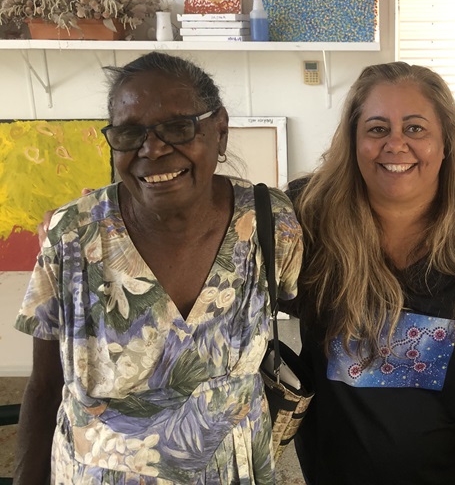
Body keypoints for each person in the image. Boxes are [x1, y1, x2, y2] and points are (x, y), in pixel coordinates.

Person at [13, 52, 303, 484]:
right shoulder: (73, 235)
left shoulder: (266, 221)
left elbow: (316, 306)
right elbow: (42, 385)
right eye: (130, 133)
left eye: (178, 127)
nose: (152, 148)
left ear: (219, 131)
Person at [285, 62, 455, 484]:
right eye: (377, 129)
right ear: (353, 140)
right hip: (333, 467)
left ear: (446, 143)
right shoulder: (305, 215)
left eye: (416, 129)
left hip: (447, 468)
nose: (395, 144)